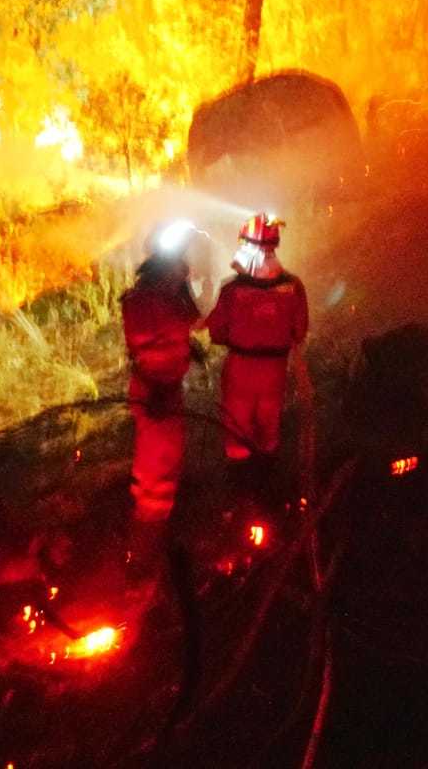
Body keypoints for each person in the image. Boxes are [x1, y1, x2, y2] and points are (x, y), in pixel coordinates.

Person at [120, 220, 205, 584]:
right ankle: (143, 556)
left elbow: (190, 323)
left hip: (165, 388)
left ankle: (153, 542)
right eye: (178, 265)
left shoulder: (163, 294)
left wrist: (189, 345)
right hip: (156, 391)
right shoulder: (144, 300)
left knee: (163, 469)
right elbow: (149, 342)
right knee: (156, 475)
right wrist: (157, 387)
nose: (183, 270)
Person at [205, 213, 309, 506]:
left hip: (240, 370)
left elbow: (216, 332)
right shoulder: (294, 287)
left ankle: (240, 502)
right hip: (274, 372)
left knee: (236, 434)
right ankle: (267, 500)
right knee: (269, 431)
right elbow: (299, 331)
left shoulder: (232, 290)